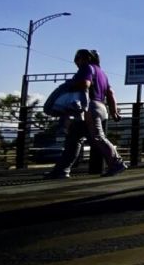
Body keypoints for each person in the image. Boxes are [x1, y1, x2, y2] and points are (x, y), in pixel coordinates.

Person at [44, 49, 128, 178]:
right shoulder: (102, 73)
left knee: (97, 137)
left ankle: (117, 163)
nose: (76, 63)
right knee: (74, 139)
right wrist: (114, 112)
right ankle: (61, 171)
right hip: (100, 107)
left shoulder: (87, 68)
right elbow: (110, 93)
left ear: (86, 58)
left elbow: (85, 84)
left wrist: (69, 87)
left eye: (77, 59)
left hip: (89, 107)